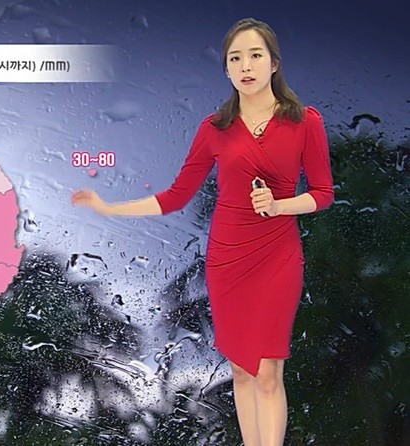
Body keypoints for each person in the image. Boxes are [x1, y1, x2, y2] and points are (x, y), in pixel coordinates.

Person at [70, 17, 334, 446]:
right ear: (226, 69)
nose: (246, 65)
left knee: (269, 370)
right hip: (227, 257)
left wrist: (278, 206)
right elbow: (176, 196)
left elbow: (322, 194)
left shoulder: (305, 122)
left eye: (255, 55)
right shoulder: (214, 129)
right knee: (242, 370)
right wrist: (108, 207)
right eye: (235, 58)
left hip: (277, 254)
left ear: (274, 63)